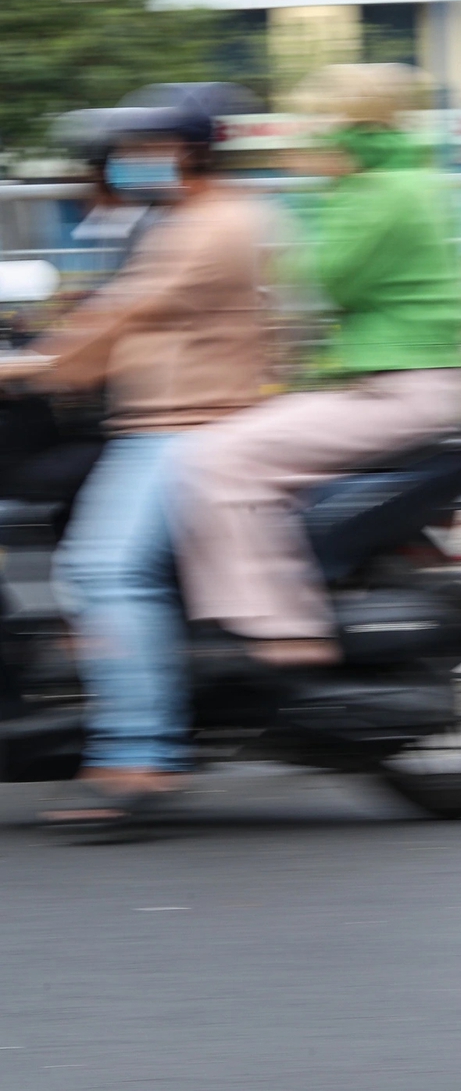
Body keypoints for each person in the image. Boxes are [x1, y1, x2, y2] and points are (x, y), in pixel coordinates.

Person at [15, 84, 270, 826]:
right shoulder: (177, 218)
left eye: (137, 150)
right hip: (155, 419)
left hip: (185, 427)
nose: (124, 165)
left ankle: (138, 759)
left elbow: (124, 313)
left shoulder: (213, 225)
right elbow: (117, 310)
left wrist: (31, 365)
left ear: (181, 152)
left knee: (102, 570)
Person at [173, 64, 461, 669]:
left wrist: (317, 194)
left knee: (217, 459)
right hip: (403, 381)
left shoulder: (377, 192)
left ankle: (286, 628)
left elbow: (320, 278)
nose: (298, 140)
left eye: (311, 125)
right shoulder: (415, 178)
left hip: (396, 390)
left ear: (345, 128)